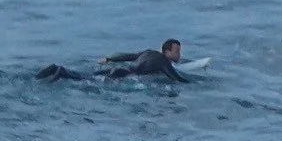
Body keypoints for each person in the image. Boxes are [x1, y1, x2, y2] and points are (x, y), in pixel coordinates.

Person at [36, 39, 189, 82]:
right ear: (167, 51)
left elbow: (127, 56)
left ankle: (54, 70)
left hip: (119, 69)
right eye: (177, 52)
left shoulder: (148, 52)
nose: (179, 55)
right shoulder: (164, 62)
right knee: (83, 80)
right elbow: (176, 78)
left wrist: (109, 59)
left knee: (84, 76)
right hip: (123, 75)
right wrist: (196, 83)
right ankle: (60, 71)